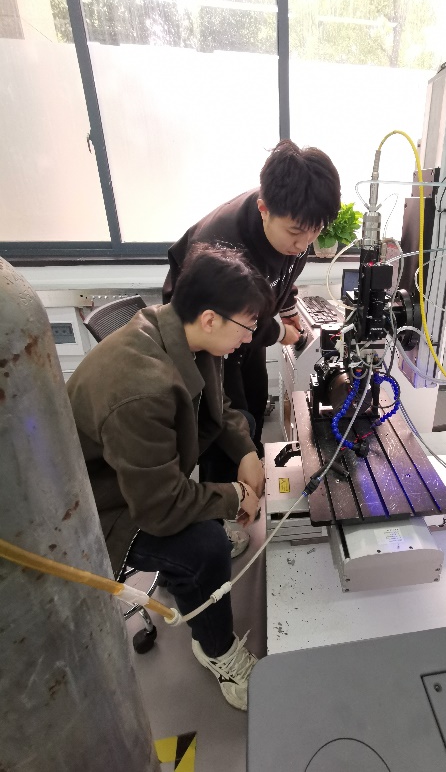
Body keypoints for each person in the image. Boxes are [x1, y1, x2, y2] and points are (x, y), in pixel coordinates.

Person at [67, 244, 273, 712]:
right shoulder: (140, 386)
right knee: (205, 547)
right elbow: (158, 507)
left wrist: (247, 452)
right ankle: (216, 649)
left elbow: (220, 409)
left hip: (137, 481)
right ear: (210, 318)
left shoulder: (185, 334)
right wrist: (236, 495)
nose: (249, 339)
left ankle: (196, 567)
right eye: (247, 326)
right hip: (101, 509)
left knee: (240, 434)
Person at [163, 139, 341, 453]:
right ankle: (230, 476)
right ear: (263, 210)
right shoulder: (224, 248)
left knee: (256, 396)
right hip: (207, 327)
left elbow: (284, 273)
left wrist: (287, 309)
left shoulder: (294, 222)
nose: (304, 245)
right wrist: (280, 332)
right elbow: (228, 319)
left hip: (242, 319)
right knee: (224, 417)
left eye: (315, 231)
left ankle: (253, 459)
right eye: (296, 232)